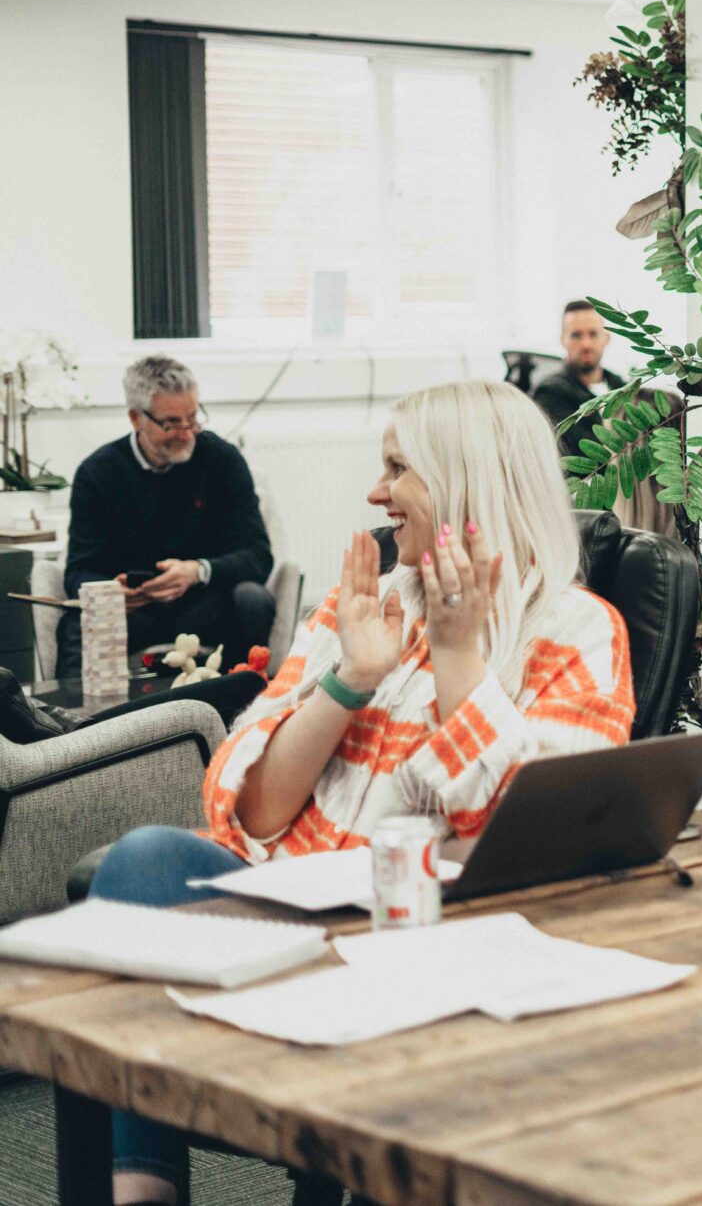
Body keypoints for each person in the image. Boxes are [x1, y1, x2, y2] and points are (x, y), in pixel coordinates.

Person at [88, 379, 634, 1206]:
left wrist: (458, 658)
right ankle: (143, 1196)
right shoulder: (363, 603)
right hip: (297, 917)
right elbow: (256, 811)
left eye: (398, 469)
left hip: (434, 941)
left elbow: (528, 836)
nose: (377, 494)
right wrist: (351, 678)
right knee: (143, 862)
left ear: (464, 480)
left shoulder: (579, 631)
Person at [57, 356, 274, 679]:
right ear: (136, 418)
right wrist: (110, 592)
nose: (186, 434)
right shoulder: (97, 472)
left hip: (203, 605)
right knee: (76, 623)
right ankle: (71, 710)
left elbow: (257, 556)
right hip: (132, 613)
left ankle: (240, 701)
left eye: (193, 419)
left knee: (253, 599)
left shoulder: (222, 460)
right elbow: (79, 570)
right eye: (171, 423)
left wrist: (196, 571)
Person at [530, 298, 626, 451]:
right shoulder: (549, 395)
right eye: (576, 335)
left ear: (607, 338)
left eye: (593, 334)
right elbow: (587, 453)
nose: (586, 344)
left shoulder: (624, 388)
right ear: (563, 340)